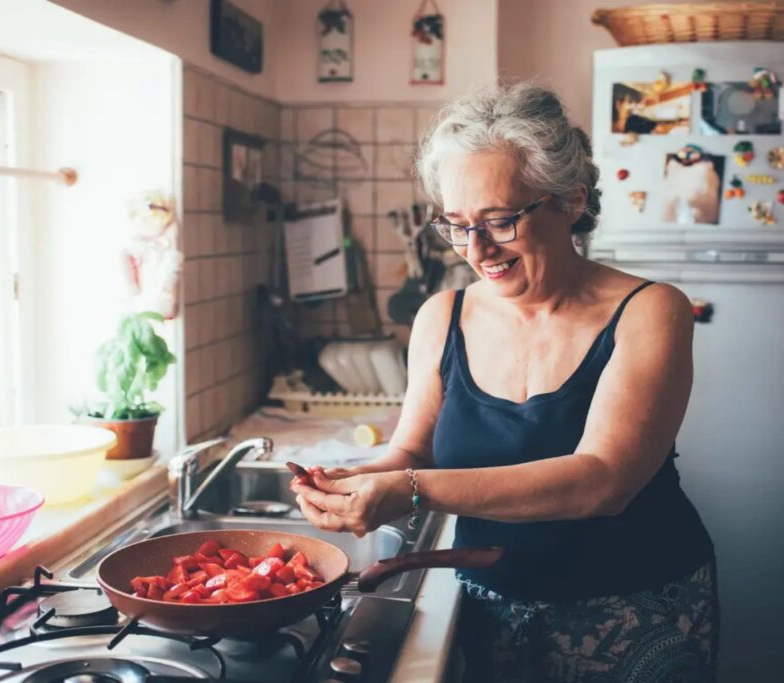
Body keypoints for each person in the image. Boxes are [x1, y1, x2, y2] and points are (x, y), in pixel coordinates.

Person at [291, 82, 717, 682]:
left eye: (499, 221)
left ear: (570, 200)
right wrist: (350, 480)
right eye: (457, 225)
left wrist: (411, 489)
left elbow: (603, 482)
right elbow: (413, 451)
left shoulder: (652, 311)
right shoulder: (441, 317)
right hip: (486, 606)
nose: (476, 248)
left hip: (635, 607)